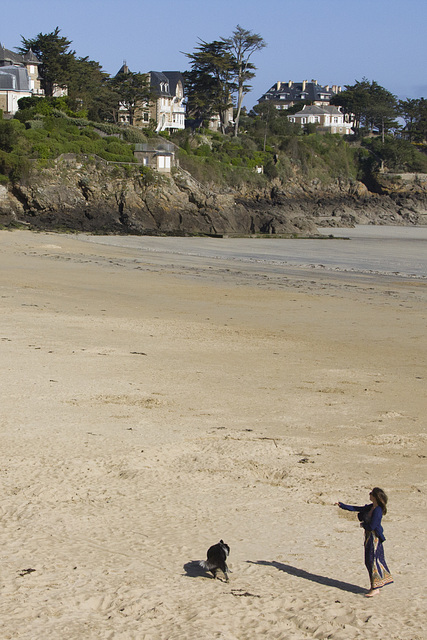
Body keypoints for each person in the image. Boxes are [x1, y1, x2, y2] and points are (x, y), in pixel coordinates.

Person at [336, 487, 393, 597]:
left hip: (374, 538)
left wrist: (363, 525)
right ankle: (375, 585)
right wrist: (342, 505)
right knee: (369, 560)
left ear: (375, 497)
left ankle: (376, 587)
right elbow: (357, 508)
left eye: (371, 493)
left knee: (372, 560)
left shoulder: (377, 510)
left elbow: (373, 526)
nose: (369, 494)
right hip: (369, 537)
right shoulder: (372, 507)